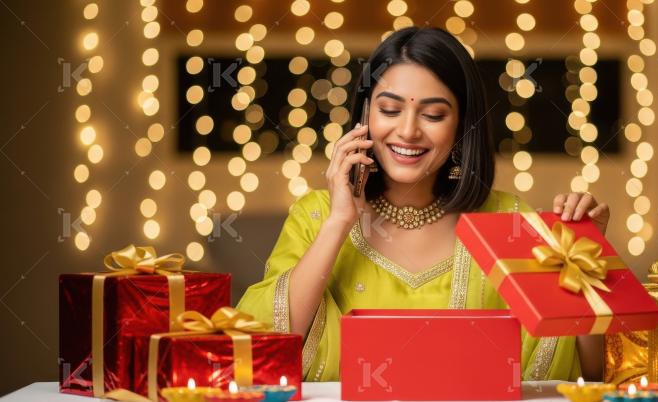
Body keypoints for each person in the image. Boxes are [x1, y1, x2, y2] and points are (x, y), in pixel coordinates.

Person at [237, 27, 610, 382]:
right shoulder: (316, 216)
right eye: (389, 110)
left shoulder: (509, 221)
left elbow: (590, 374)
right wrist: (339, 222)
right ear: (365, 114)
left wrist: (586, 259)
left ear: (463, 124)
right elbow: (263, 349)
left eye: (433, 115)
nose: (408, 131)